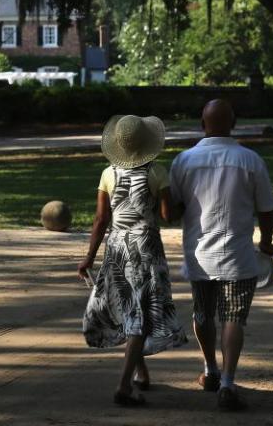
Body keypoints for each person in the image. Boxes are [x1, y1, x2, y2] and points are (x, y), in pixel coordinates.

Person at [168, 99, 273, 411]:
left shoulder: (183, 160)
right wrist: (267, 242)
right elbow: (267, 209)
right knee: (233, 318)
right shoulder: (250, 160)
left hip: (198, 252)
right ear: (234, 123)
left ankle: (209, 369)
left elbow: (173, 209)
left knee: (203, 312)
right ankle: (228, 382)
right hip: (238, 254)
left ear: (202, 124)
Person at [78, 114, 187, 407]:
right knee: (140, 314)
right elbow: (167, 215)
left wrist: (88, 257)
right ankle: (124, 386)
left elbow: (101, 220)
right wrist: (183, 204)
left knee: (129, 307)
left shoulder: (108, 174)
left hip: (117, 249)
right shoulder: (157, 172)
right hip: (146, 249)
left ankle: (141, 373)